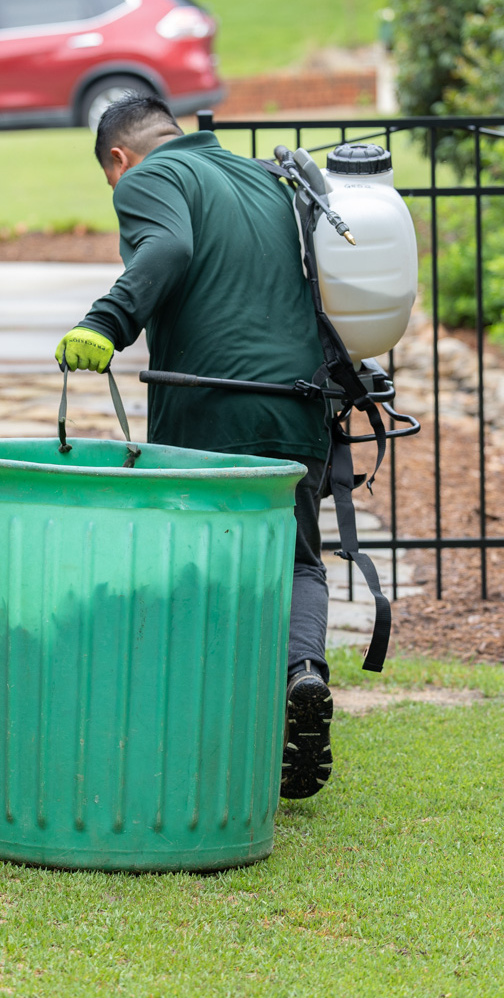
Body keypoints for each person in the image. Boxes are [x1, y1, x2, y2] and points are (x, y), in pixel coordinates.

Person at [54, 92, 335, 801]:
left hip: (208, 406)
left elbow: (170, 248)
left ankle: (204, 737)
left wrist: (105, 322)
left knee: (196, 569)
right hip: (301, 404)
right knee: (297, 564)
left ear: (119, 159)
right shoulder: (264, 181)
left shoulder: (149, 177)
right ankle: (304, 673)